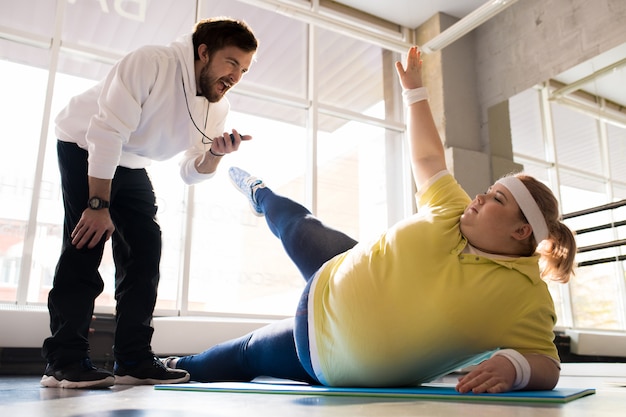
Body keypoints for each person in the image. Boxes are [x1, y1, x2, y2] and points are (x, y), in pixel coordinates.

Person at [162, 46, 577, 393]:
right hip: (334, 276)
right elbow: (429, 157)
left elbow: (548, 364)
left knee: (243, 355)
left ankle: (172, 364)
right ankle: (262, 194)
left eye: (497, 199)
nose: (482, 196)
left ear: (521, 231)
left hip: (320, 354)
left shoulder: (526, 297)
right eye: (489, 190)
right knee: (297, 225)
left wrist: (514, 368)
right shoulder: (453, 206)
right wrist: (415, 92)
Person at [41, 17, 259, 389]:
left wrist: (216, 156)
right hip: (84, 143)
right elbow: (106, 131)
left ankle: (133, 360)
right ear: (203, 52)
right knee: (86, 243)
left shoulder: (216, 107)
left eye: (244, 69)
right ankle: (63, 362)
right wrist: (97, 205)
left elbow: (190, 170)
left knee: (145, 250)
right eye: (232, 62)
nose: (236, 75)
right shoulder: (151, 62)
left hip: (132, 160)